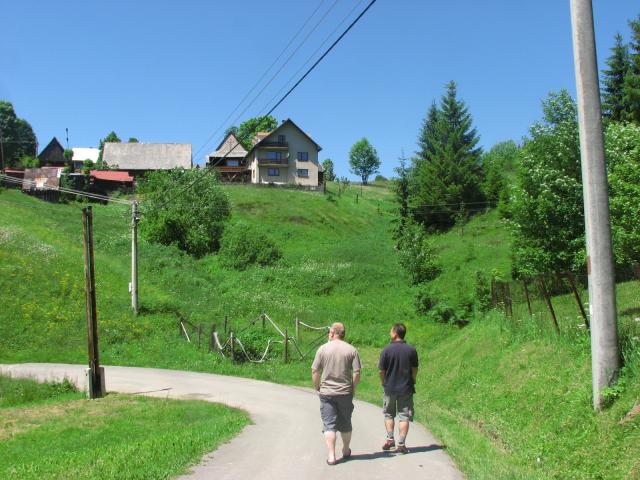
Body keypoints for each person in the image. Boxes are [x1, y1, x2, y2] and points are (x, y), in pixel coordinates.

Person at [311, 322, 361, 465]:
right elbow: (357, 373)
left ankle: (331, 455)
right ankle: (345, 449)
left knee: (329, 425)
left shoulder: (322, 349)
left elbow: (315, 370)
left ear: (332, 332)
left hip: (327, 392)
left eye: (330, 332)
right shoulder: (351, 350)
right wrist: (353, 388)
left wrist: (317, 387)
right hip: (345, 392)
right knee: (345, 422)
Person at [378, 323, 418, 454]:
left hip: (389, 388)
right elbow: (414, 368)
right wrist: (413, 379)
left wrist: (383, 382)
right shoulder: (411, 350)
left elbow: (381, 371)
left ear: (395, 333)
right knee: (404, 416)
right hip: (406, 388)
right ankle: (401, 443)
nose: (390, 332)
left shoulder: (386, 350)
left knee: (389, 414)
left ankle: (390, 439)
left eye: (391, 331)